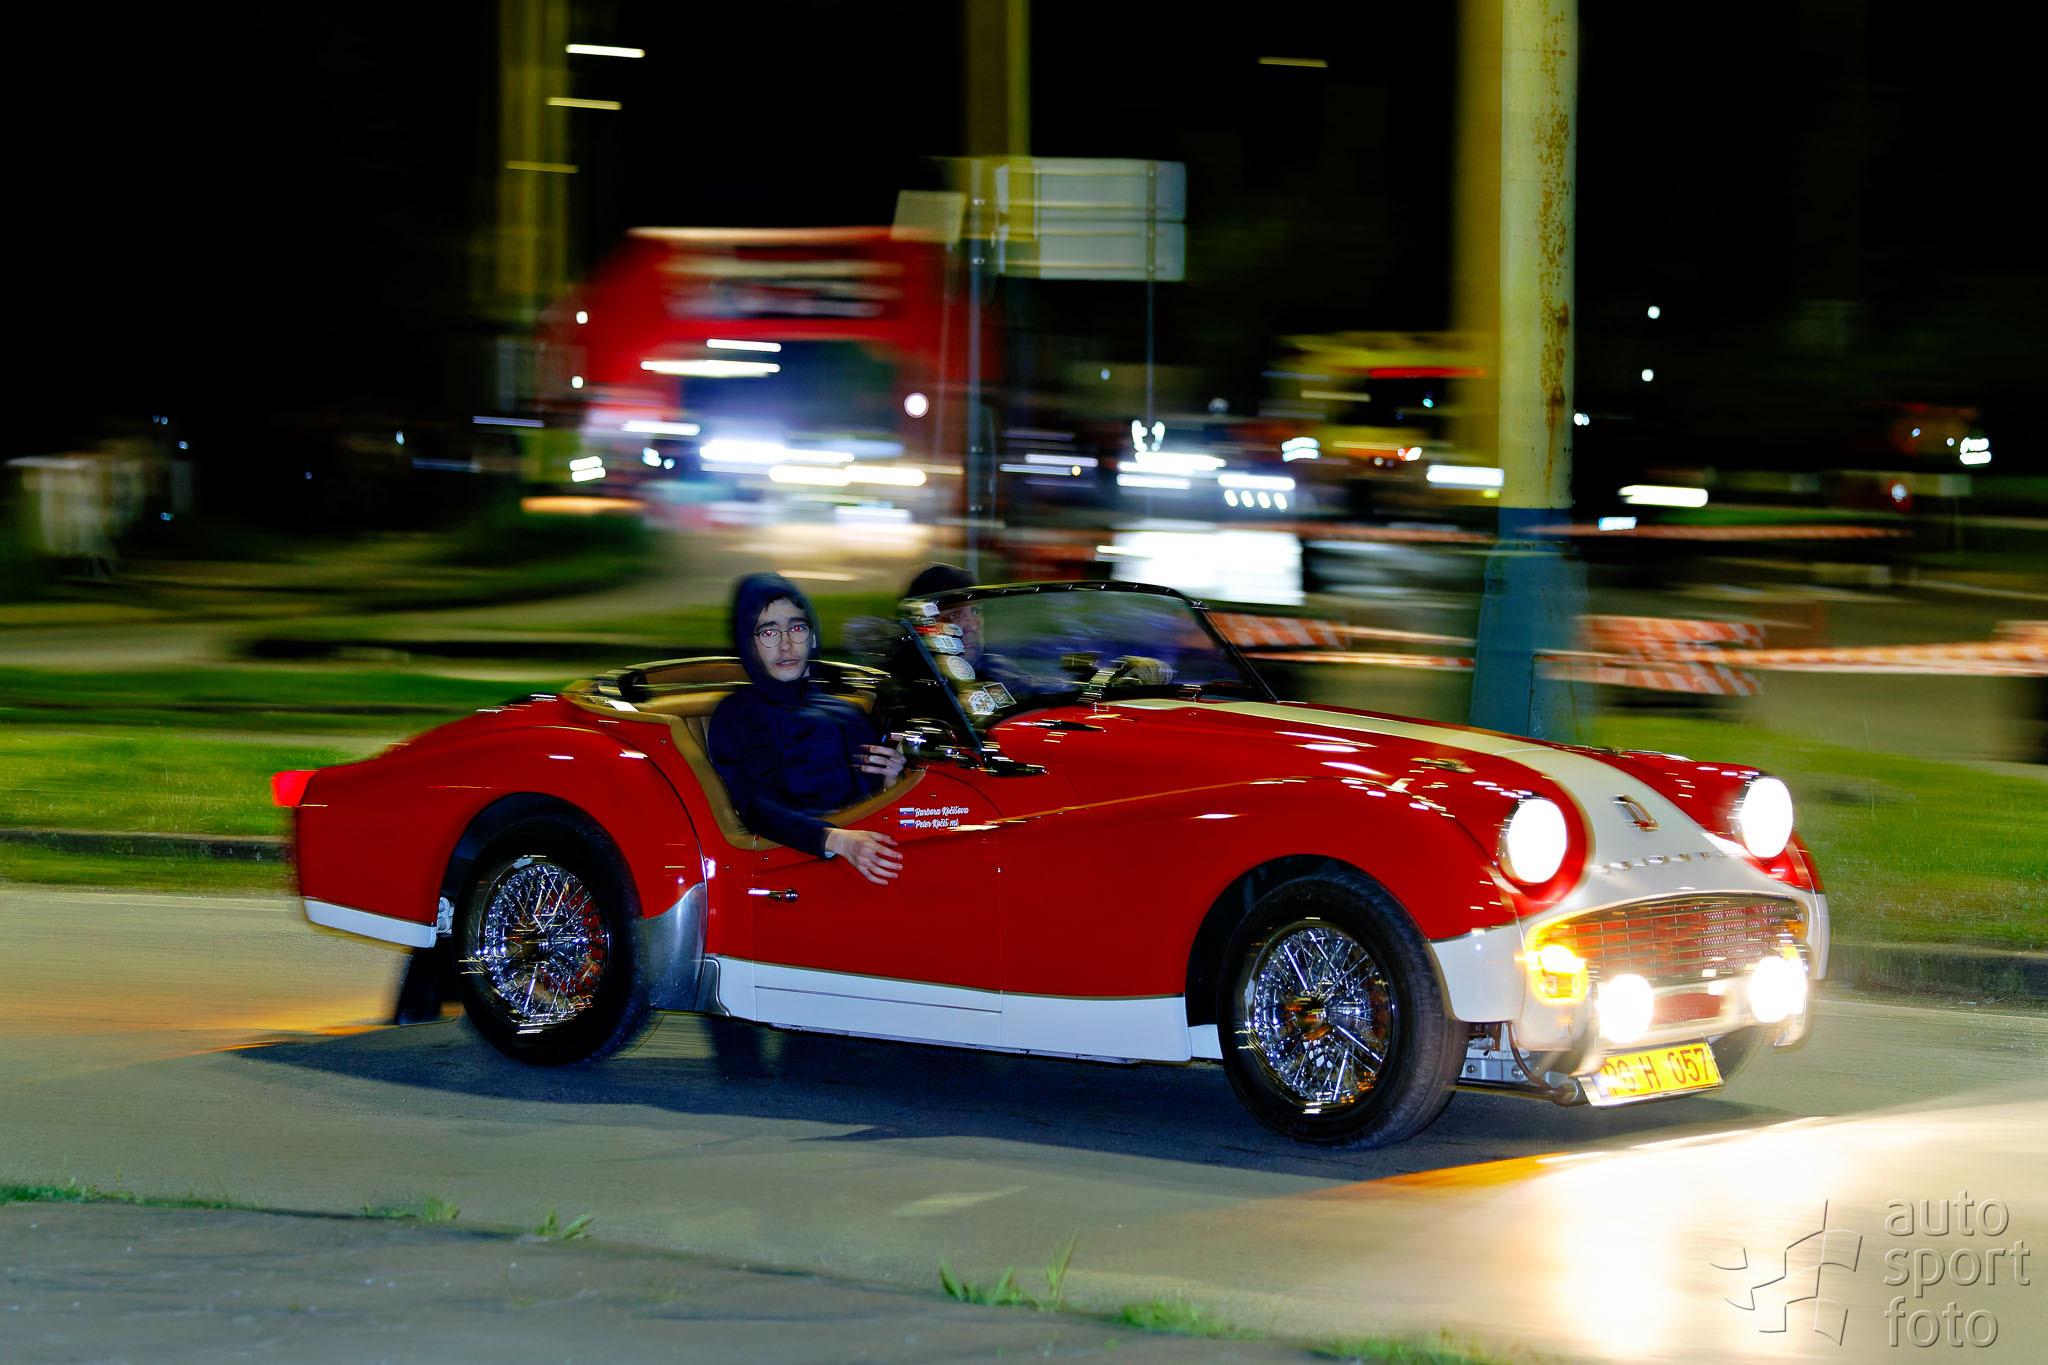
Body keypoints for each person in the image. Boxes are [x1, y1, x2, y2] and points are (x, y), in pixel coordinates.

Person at [708, 572, 905, 884]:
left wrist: (890, 780)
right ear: (749, 643)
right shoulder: (740, 713)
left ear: (812, 637)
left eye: (797, 628)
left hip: (866, 849)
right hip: (794, 863)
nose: (786, 645)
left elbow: (871, 796)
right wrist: (836, 840)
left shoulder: (849, 710)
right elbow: (755, 806)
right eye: (768, 632)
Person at [904, 563, 1040, 699]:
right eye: (954, 614)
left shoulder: (996, 669)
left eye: (976, 611)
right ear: (923, 624)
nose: (973, 626)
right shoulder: (906, 686)